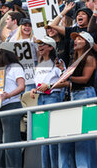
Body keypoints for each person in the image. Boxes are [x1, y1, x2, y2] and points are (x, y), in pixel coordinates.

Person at [58, 32, 97, 168]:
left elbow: (85, 79)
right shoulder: (74, 59)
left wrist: (67, 78)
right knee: (75, 137)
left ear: (87, 43)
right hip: (75, 95)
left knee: (84, 137)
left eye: (80, 39)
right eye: (75, 39)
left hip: (85, 94)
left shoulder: (90, 57)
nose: (76, 41)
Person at [30, 36, 64, 168]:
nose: (39, 46)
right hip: (41, 99)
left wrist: (49, 86)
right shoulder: (39, 64)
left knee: (52, 137)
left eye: (42, 44)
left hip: (53, 98)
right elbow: (39, 83)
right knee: (43, 137)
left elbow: (64, 79)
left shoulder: (57, 61)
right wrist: (35, 90)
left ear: (51, 47)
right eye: (38, 44)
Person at [0, 42, 25, 168]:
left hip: (11, 105)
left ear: (4, 52)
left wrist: (8, 95)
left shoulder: (15, 67)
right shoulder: (0, 69)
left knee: (10, 143)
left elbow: (22, 86)